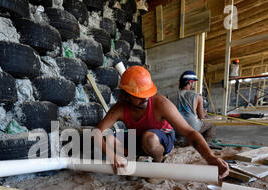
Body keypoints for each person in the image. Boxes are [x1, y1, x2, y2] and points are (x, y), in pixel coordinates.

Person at [94, 66, 229, 179]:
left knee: (149, 138)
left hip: (160, 140)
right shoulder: (120, 108)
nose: (145, 98)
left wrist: (210, 158)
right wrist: (112, 156)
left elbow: (189, 132)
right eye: (139, 95)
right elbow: (96, 133)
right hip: (137, 139)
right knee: (110, 138)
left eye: (147, 93)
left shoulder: (161, 103)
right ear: (126, 95)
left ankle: (157, 163)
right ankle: (133, 162)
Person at [176, 70, 216, 144]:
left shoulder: (171, 96)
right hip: (192, 128)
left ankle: (180, 139)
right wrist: (204, 112)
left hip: (177, 129)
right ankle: (207, 143)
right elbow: (201, 117)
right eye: (193, 82)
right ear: (190, 82)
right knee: (211, 123)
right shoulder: (197, 96)